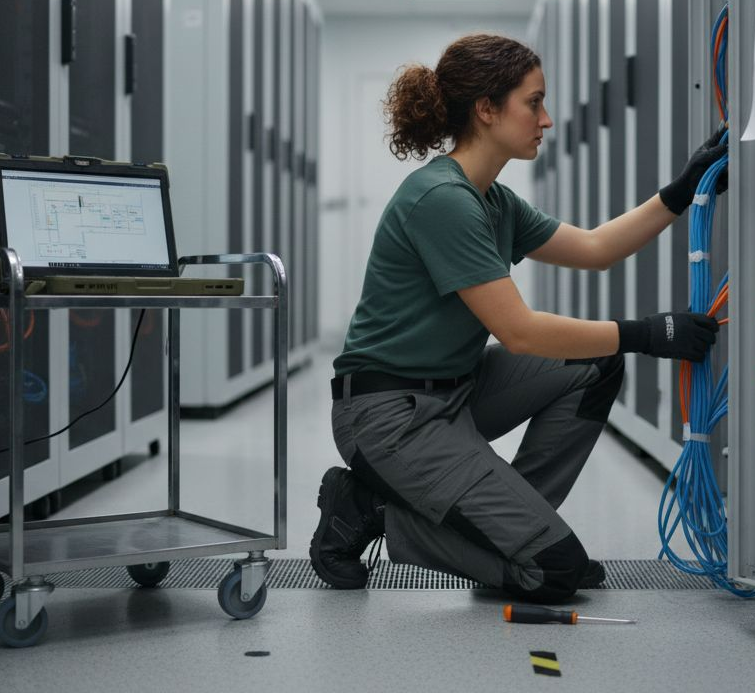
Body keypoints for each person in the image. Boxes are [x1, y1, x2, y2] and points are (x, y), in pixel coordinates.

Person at [310, 33, 727, 603]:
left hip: (457, 394)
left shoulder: (494, 201)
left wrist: (681, 191)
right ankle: (371, 508)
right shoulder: (442, 200)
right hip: (388, 415)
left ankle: (513, 534)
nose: (547, 119)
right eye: (534, 102)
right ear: (487, 110)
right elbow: (520, 331)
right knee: (553, 573)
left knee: (596, 363)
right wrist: (648, 334)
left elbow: (596, 248)